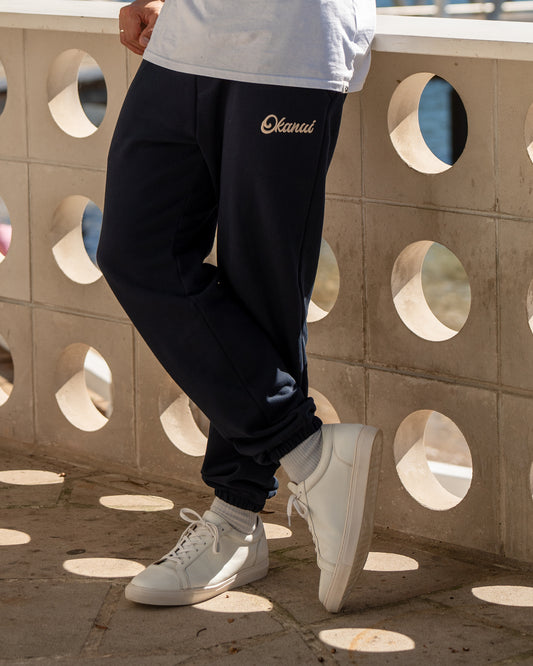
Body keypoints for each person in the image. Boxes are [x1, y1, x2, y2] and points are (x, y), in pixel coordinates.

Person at [97, 0, 382, 614]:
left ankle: (236, 518)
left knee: (263, 285)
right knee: (134, 252)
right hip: (185, 42)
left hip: (291, 48)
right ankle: (309, 451)